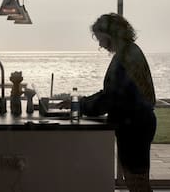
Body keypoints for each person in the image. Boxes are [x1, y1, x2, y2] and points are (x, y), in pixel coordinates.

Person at [59, 13, 157, 192]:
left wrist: (79, 105)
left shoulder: (124, 57)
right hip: (139, 124)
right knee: (138, 181)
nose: (100, 44)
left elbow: (110, 98)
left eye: (100, 39)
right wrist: (82, 102)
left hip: (134, 127)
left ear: (110, 35)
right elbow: (112, 94)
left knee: (137, 183)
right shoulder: (130, 51)